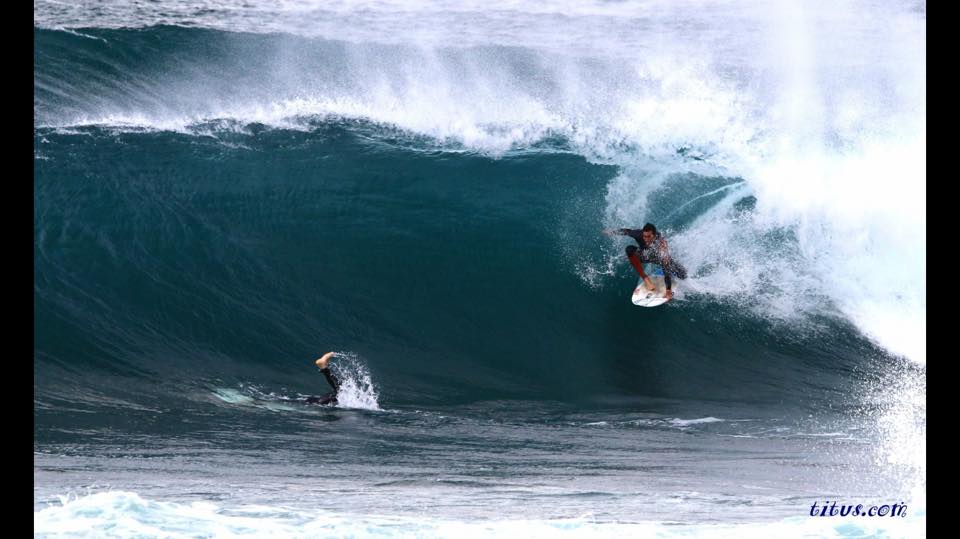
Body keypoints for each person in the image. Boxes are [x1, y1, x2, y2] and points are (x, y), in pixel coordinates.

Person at [604, 223, 687, 300]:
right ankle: (645, 278)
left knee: (683, 274)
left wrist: (668, 290)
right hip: (644, 256)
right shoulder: (638, 234)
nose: (646, 239)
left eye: (649, 237)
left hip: (658, 257)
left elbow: (664, 250)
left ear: (654, 235)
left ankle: (670, 284)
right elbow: (627, 231)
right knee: (629, 249)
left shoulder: (659, 240)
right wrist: (612, 232)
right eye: (644, 236)